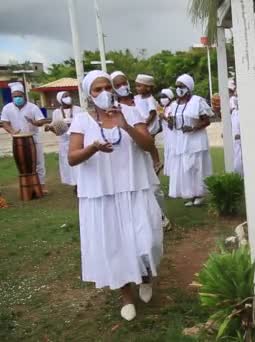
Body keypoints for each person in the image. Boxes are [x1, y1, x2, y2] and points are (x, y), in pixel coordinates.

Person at [67, 70, 163, 321]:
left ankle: (145, 278)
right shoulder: (81, 121)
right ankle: (126, 297)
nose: (104, 93)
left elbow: (148, 145)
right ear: (89, 94)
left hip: (133, 188)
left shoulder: (130, 112)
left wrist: (126, 126)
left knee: (146, 241)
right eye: (97, 89)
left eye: (107, 87)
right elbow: (72, 157)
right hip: (103, 194)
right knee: (115, 246)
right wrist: (93, 148)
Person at [111, 71, 170, 229]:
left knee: (153, 187)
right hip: (123, 158)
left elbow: (148, 140)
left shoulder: (135, 106)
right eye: (117, 85)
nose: (123, 87)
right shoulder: (118, 106)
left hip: (141, 148)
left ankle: (161, 217)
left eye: (124, 83)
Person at [168, 74, 214, 207]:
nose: (178, 89)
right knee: (185, 168)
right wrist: (169, 121)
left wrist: (193, 127)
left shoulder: (197, 101)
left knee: (196, 167)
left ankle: (199, 195)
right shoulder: (174, 105)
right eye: (177, 86)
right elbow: (172, 125)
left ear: (188, 87)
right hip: (181, 141)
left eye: (181, 86)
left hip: (196, 141)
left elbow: (206, 121)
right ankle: (189, 194)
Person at [1, 82, 50, 194]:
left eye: (19, 96)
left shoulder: (32, 107)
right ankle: (27, 185)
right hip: (18, 140)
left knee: (38, 163)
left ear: (24, 95)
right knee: (23, 164)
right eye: (15, 96)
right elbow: (4, 122)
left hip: (33, 139)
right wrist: (12, 132)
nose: (17, 98)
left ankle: (42, 185)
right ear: (12, 97)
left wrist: (34, 122)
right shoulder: (7, 108)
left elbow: (41, 121)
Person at [47, 91, 81, 187]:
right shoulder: (56, 113)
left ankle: (80, 183)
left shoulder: (78, 109)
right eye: (65, 96)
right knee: (68, 163)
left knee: (79, 162)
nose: (68, 97)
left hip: (77, 140)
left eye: (69, 95)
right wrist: (50, 128)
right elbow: (57, 130)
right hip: (64, 142)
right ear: (60, 100)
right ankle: (74, 183)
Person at [134, 74, 162, 173]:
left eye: (139, 86)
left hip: (148, 127)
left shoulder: (150, 99)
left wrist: (145, 124)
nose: (137, 88)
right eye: (136, 85)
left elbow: (153, 113)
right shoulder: (136, 98)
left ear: (148, 88)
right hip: (138, 126)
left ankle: (156, 163)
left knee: (149, 146)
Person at [158, 88, 175, 177]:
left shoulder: (173, 107)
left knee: (173, 153)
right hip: (166, 136)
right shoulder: (164, 108)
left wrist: (163, 117)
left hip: (173, 136)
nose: (162, 98)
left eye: (164, 97)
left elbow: (172, 123)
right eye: (161, 97)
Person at [229, 82, 243, 175]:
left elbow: (234, 111)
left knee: (238, 156)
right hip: (234, 128)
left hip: (236, 131)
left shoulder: (232, 99)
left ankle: (239, 175)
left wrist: (237, 132)